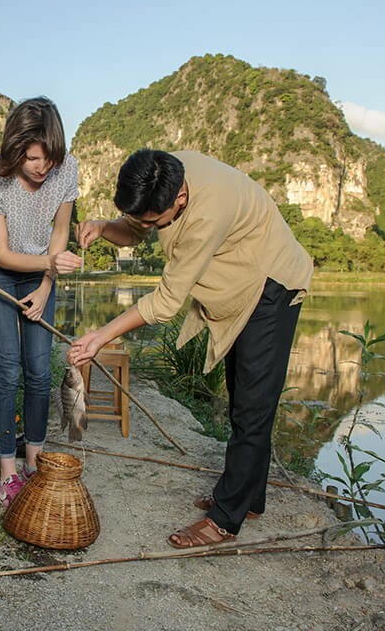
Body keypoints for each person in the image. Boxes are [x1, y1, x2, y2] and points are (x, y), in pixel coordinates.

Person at [67, 148, 313, 547]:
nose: (148, 225)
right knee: (244, 398)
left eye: (154, 220)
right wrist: (102, 227)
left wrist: (100, 336)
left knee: (253, 405)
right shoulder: (162, 172)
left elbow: (165, 303)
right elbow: (136, 227)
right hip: (243, 278)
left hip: (271, 285)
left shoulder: (207, 212)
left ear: (179, 200)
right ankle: (250, 497)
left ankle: (225, 521)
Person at [0, 97, 83, 507]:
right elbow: (1, 254)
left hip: (41, 272)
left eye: (48, 157)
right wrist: (50, 262)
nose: (42, 167)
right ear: (16, 149)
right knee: (8, 370)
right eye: (33, 158)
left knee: (38, 370)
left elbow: (60, 232)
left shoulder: (66, 166)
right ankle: (8, 470)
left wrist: (47, 284)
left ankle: (34, 461)